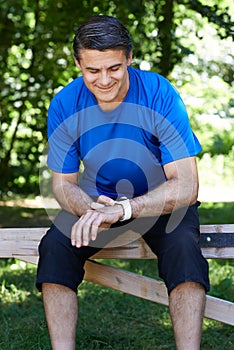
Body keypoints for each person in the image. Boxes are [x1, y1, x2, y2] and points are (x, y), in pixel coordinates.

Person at [36, 15, 210, 350]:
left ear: (129, 58)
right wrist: (90, 210)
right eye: (92, 70)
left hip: (161, 202)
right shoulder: (64, 104)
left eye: (114, 68)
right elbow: (62, 185)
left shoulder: (160, 94)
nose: (104, 80)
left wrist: (125, 209)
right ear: (77, 63)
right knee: (55, 246)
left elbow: (186, 186)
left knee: (184, 248)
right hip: (98, 202)